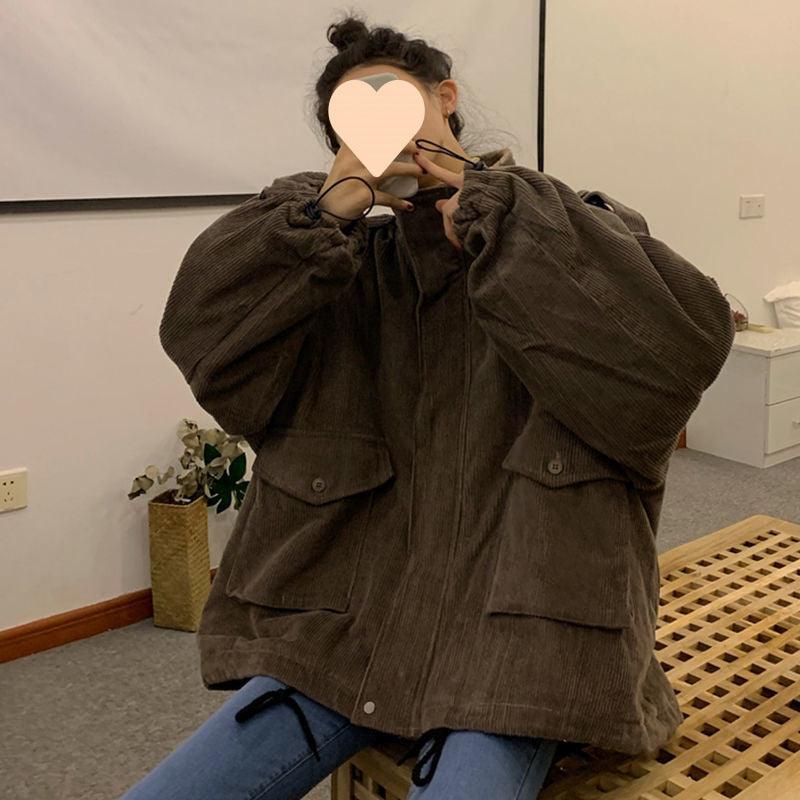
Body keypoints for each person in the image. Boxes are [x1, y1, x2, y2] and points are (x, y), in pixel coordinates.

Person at [123, 12, 735, 800]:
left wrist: (493, 211)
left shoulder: (568, 229)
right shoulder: (333, 269)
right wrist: (327, 211)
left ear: (445, 98)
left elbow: (670, 360)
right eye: (355, 119)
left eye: (395, 99)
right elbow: (208, 341)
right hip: (343, 634)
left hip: (520, 642)